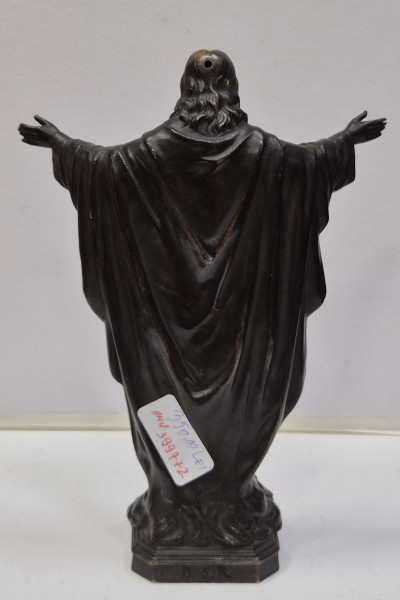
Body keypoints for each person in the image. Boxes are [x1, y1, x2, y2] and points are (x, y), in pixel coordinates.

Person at [19, 50, 386, 554]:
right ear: (230, 89)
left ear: (185, 89)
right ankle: (212, 500)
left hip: (160, 331)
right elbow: (308, 163)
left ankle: (187, 504)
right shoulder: (267, 154)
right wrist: (342, 144)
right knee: (245, 398)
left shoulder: (144, 156)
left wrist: (64, 146)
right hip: (245, 329)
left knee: (160, 393)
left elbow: (102, 167)